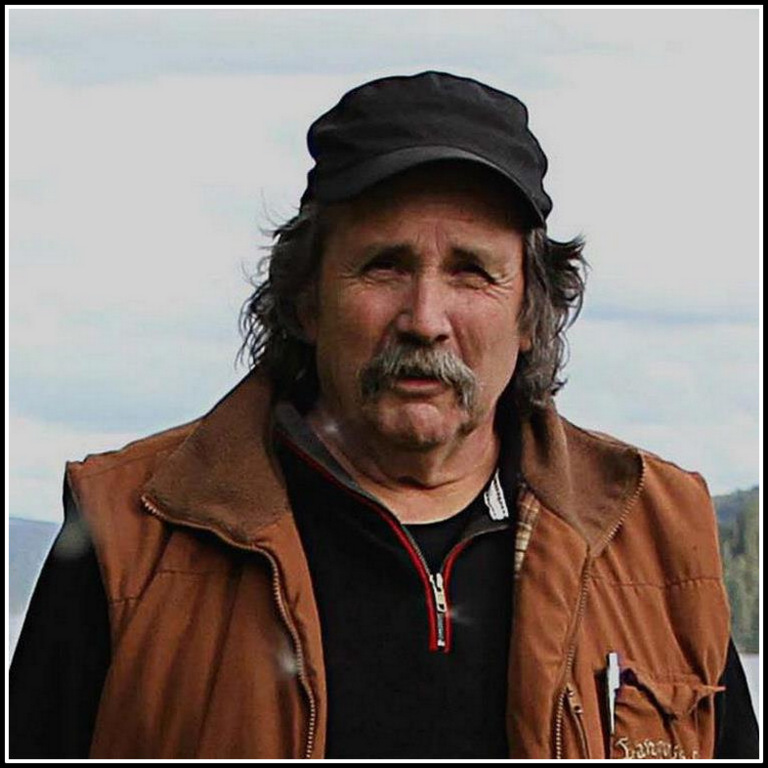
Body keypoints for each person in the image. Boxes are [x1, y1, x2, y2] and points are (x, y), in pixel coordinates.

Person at [10, 71, 758, 760]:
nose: (425, 319)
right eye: (384, 266)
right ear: (306, 300)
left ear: (531, 312)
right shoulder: (129, 533)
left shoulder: (660, 533)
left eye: (471, 271)